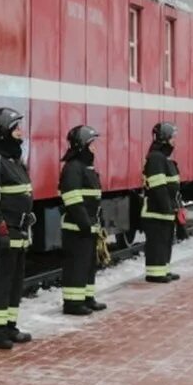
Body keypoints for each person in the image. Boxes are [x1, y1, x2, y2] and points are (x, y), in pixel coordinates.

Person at [0, 107, 35, 350]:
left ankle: (9, 326)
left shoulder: (14, 160)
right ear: (4, 131)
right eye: (16, 128)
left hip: (19, 233)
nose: (21, 132)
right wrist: (0, 229)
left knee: (14, 284)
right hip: (4, 235)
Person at [58, 125, 106, 315]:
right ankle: (73, 303)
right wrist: (85, 224)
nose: (94, 147)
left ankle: (87, 298)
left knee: (87, 264)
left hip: (88, 227)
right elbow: (73, 200)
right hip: (76, 228)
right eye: (91, 143)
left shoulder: (85, 168)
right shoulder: (73, 168)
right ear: (83, 145)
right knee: (76, 265)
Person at [142, 121, 183, 283]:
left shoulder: (163, 158)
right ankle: (155, 273)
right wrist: (168, 208)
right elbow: (159, 188)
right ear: (165, 138)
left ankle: (163, 269)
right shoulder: (156, 158)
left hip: (164, 211)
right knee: (157, 243)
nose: (175, 141)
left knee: (165, 242)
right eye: (172, 137)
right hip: (156, 211)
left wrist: (174, 208)